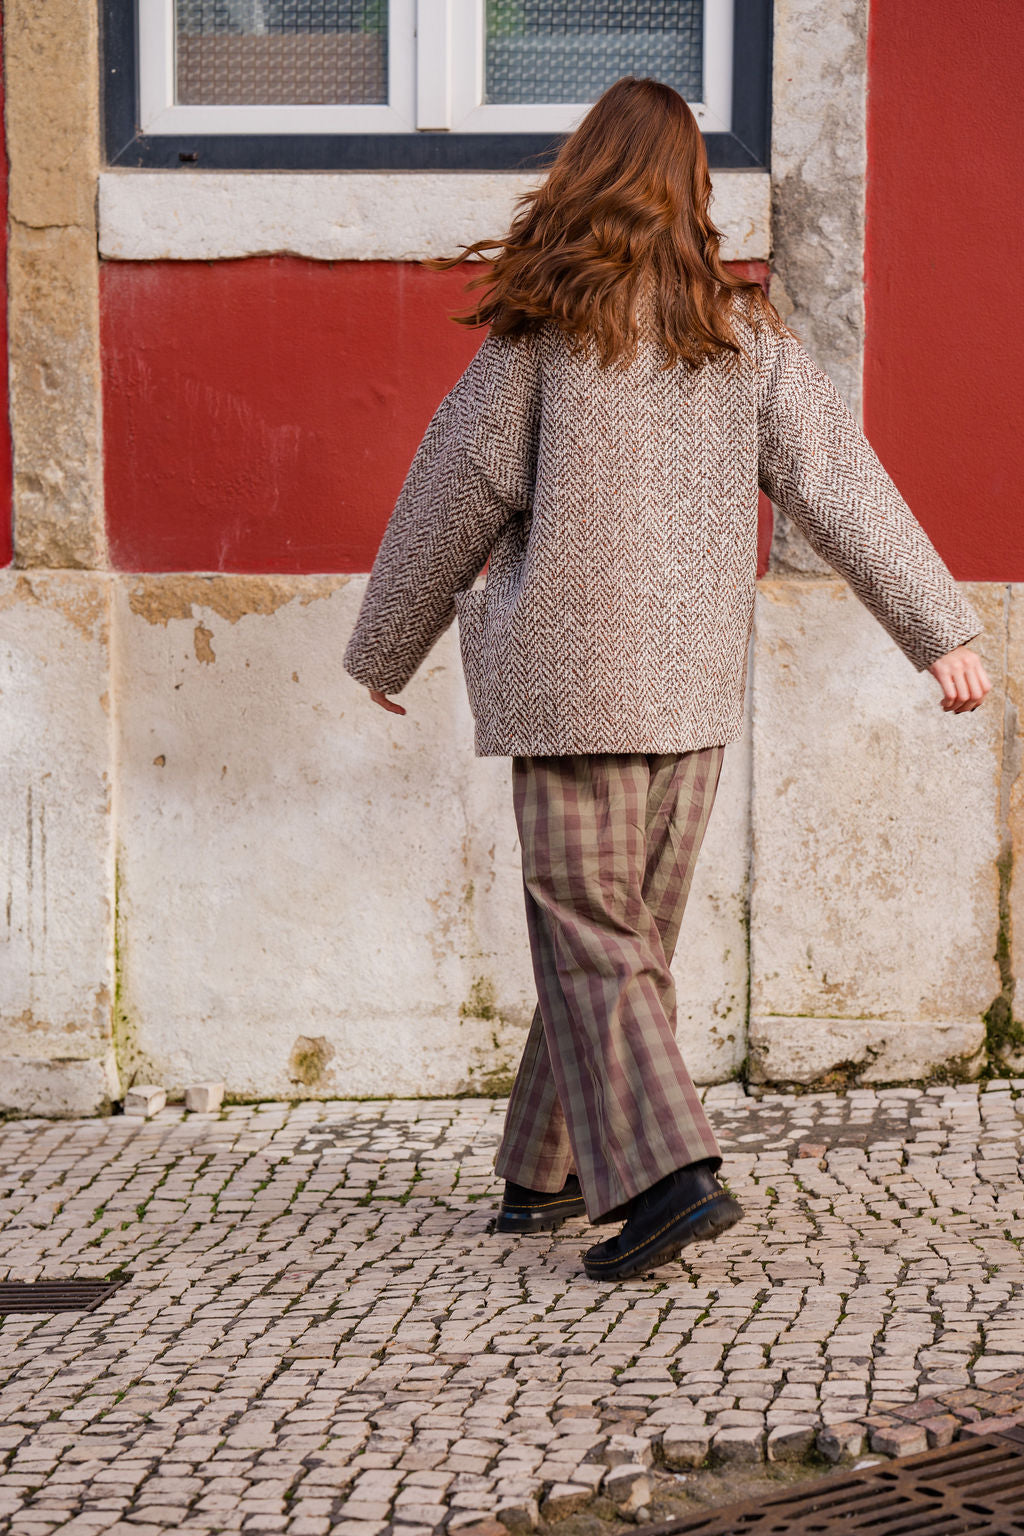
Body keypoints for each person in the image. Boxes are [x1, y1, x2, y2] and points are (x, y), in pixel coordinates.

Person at [342, 76, 991, 1282]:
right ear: (693, 193)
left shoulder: (538, 339)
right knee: (616, 940)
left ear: (583, 179)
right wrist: (940, 630)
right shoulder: (746, 339)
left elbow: (451, 491)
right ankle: (543, 1173)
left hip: (569, 685)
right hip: (689, 693)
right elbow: (842, 486)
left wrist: (389, 643)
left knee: (595, 936)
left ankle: (667, 1180)